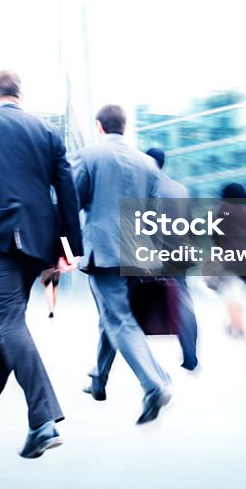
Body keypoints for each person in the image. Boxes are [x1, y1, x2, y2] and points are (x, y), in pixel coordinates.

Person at [0, 70, 82, 459]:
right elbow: (67, 191)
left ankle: (41, 421)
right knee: (14, 318)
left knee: (11, 319)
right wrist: (69, 247)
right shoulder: (47, 133)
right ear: (19, 95)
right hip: (38, 240)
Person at [73, 108, 172, 425]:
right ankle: (99, 379)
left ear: (99, 126)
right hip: (139, 253)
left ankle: (154, 383)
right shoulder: (148, 164)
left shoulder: (89, 156)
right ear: (124, 127)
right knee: (113, 317)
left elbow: (72, 200)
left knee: (119, 320)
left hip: (105, 252)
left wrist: (60, 247)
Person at [144, 147, 199, 371]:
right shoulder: (180, 189)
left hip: (154, 253)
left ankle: (141, 360)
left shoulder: (144, 188)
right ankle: (190, 354)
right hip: (180, 252)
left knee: (131, 304)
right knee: (183, 300)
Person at [211, 182, 246, 339]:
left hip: (231, 260)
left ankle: (240, 329)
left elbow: (216, 236)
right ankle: (233, 324)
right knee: (236, 294)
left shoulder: (223, 210)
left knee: (232, 295)